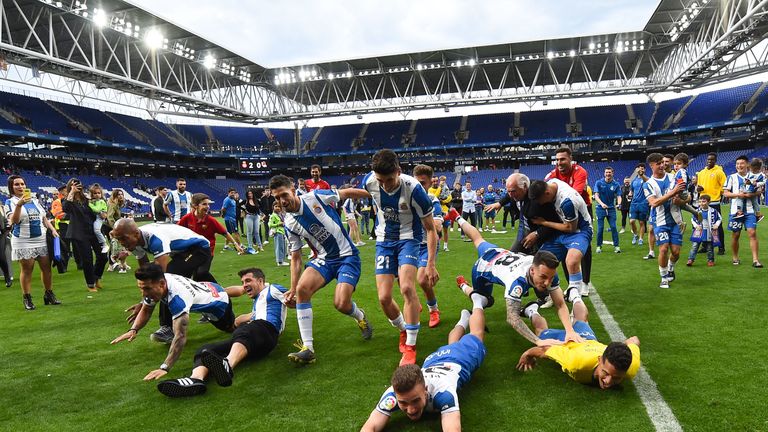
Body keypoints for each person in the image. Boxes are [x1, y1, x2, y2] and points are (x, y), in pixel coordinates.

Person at [269, 174, 373, 365]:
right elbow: (296, 258)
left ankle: (360, 316)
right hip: (324, 260)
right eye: (276, 198)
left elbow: (346, 192)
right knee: (302, 290)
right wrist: (292, 288)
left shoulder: (316, 197)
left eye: (283, 195)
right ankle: (308, 348)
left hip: (347, 256)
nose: (281, 201)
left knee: (341, 304)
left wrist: (375, 195)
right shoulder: (290, 224)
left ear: (292, 190)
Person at [444, 207, 581, 345]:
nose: (547, 283)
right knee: (484, 300)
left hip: (500, 253)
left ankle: (457, 216)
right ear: (532, 271)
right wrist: (538, 341)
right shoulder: (516, 282)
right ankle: (463, 285)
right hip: (483, 267)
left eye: (550, 278)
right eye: (543, 277)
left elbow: (560, 304)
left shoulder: (547, 271)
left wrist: (569, 331)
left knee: (477, 238)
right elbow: (512, 318)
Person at [156, 267, 292, 397]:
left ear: (261, 280)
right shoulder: (258, 302)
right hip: (252, 343)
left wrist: (294, 301)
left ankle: (227, 364)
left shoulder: (273, 289)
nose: (244, 285)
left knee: (245, 330)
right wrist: (245, 317)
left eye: (248, 281)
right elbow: (239, 315)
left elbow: (293, 298)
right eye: (243, 282)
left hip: (267, 333)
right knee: (205, 350)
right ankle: (196, 380)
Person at [361, 149, 439, 366]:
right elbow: (364, 193)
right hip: (384, 241)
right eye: (380, 180)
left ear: (399, 171)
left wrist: (431, 264)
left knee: (406, 287)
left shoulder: (414, 190)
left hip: (409, 239)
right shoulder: (369, 182)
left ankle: (411, 348)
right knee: (384, 298)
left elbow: (431, 230)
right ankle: (403, 329)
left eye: (389, 179)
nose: (385, 185)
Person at [361, 304, 488, 431]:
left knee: (476, 335)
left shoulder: (443, 392)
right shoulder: (392, 394)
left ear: (426, 390)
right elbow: (370, 426)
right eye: (403, 403)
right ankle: (464, 318)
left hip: (460, 360)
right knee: (452, 346)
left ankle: (477, 301)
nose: (410, 410)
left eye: (415, 400)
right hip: (432, 362)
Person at [110, 263, 235, 381]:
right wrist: (133, 329)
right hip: (206, 289)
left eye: (147, 289)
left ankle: (251, 313)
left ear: (162, 284)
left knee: (231, 329)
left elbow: (180, 337)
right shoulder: (160, 280)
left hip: (218, 303)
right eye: (141, 288)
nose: (144, 294)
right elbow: (147, 309)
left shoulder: (178, 299)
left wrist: (164, 367)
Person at [111, 219, 215, 343]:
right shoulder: (133, 241)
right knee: (174, 279)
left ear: (136, 234)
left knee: (167, 281)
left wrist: (145, 303)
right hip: (181, 253)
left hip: (198, 248)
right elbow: (145, 274)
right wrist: (142, 300)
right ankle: (215, 297)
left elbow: (160, 279)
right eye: (119, 239)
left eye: (123, 238)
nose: (122, 243)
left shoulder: (156, 239)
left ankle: (167, 328)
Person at [516, 290, 641, 390]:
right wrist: (527, 354)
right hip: (566, 344)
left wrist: (620, 349)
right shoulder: (576, 363)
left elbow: (634, 340)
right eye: (606, 373)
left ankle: (574, 296)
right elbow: (545, 350)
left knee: (582, 320)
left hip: (589, 341)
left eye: (616, 378)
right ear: (599, 359)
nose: (608, 381)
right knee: (541, 332)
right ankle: (532, 311)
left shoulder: (630, 367)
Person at [528, 179, 593, 297]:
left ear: (547, 193)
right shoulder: (552, 182)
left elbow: (570, 228)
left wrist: (545, 223)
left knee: (572, 261)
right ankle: (553, 293)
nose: (539, 203)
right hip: (561, 231)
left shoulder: (567, 202)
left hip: (580, 231)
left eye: (539, 200)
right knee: (539, 260)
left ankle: (576, 301)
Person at [4, 174, 60, 309]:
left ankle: (49, 294)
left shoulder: (34, 200)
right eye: (16, 184)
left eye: (22, 184)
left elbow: (44, 218)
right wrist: (19, 205)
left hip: (41, 239)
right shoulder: (10, 202)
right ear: (11, 187)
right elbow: (14, 221)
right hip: (23, 240)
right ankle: (27, 298)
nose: (20, 186)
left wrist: (52, 229)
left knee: (46, 268)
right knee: (27, 269)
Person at [544, 147, 594, 291]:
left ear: (570, 159)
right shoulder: (552, 174)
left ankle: (585, 282)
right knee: (565, 248)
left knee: (584, 246)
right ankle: (571, 285)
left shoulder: (580, 172)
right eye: (557, 159)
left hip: (581, 208)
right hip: (561, 211)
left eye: (563, 159)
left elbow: (574, 195)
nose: (559, 162)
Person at [643, 153, 686, 288]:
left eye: (663, 162)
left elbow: (687, 197)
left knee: (676, 252)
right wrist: (672, 193)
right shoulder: (648, 184)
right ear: (651, 166)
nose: (662, 165)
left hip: (675, 220)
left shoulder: (674, 177)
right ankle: (664, 277)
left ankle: (670, 268)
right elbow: (654, 203)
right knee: (663, 249)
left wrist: (682, 199)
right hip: (660, 221)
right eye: (658, 163)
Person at [62, 179, 109, 293]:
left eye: (78, 184)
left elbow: (97, 210)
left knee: (103, 255)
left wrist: (103, 214)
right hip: (80, 233)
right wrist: (72, 192)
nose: (76, 186)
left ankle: (96, 276)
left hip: (92, 231)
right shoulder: (69, 200)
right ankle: (90, 283)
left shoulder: (87, 199)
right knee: (87, 259)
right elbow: (66, 209)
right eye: (73, 185)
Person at [413, 165, 444, 328]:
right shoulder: (407, 198)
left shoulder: (432, 200)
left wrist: (423, 215)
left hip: (427, 245)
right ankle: (414, 302)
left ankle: (433, 309)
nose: (419, 186)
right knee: (400, 279)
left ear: (430, 183)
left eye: (423, 183)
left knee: (422, 280)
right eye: (417, 182)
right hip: (409, 245)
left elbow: (438, 227)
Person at [723, 155, 762, 268]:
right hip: (736, 211)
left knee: (752, 233)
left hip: (750, 211)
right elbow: (725, 193)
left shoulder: (753, 177)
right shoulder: (731, 177)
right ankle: (735, 257)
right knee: (736, 234)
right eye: (737, 164)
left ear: (747, 165)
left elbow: (759, 191)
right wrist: (738, 194)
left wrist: (751, 194)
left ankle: (755, 260)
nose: (739, 166)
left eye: (741, 163)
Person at [179, 193, 244, 260]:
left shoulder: (211, 220)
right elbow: (176, 229)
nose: (208, 206)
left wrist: (236, 244)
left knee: (202, 270)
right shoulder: (187, 218)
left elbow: (225, 233)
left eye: (208, 204)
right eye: (204, 204)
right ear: (195, 206)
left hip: (207, 252)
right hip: (192, 252)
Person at [696, 153, 727, 255]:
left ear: (715, 160)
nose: (710, 161)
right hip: (703, 203)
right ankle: (705, 246)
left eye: (712, 160)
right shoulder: (701, 173)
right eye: (708, 159)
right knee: (703, 224)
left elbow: (724, 187)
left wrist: (718, 194)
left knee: (717, 225)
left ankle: (721, 247)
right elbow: (698, 187)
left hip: (714, 202)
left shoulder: (719, 172)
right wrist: (698, 189)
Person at [687, 194, 721, 267]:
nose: (701, 203)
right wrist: (696, 226)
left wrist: (716, 225)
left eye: (704, 201)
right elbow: (692, 219)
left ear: (709, 202)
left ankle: (710, 260)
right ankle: (690, 259)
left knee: (709, 247)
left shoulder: (713, 211)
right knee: (695, 246)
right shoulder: (697, 211)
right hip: (699, 231)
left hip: (709, 231)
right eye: (700, 202)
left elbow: (719, 218)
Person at [593, 167, 621, 254]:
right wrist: (602, 204)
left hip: (611, 209)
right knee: (600, 228)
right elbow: (596, 196)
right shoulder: (598, 183)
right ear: (604, 173)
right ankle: (598, 246)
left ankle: (616, 246)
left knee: (613, 227)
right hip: (600, 208)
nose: (608, 174)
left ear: (612, 173)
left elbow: (619, 196)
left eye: (609, 172)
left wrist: (619, 203)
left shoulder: (616, 184)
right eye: (606, 172)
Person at [105, 189, 129, 273]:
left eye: (122, 194)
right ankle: (111, 265)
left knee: (119, 245)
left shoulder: (117, 204)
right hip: (109, 227)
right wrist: (115, 228)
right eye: (118, 194)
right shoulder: (112, 204)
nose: (121, 196)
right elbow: (110, 217)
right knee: (113, 246)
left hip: (114, 227)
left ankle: (122, 263)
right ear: (114, 195)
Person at [628, 163, 650, 249]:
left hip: (643, 204)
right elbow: (632, 191)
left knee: (641, 222)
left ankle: (641, 239)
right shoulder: (634, 181)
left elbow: (648, 181)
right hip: (634, 203)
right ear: (636, 170)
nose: (641, 170)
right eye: (640, 168)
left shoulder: (647, 179)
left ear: (644, 170)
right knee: (632, 221)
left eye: (643, 169)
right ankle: (635, 235)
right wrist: (630, 194)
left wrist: (642, 175)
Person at [88, 183, 110, 254]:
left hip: (99, 218)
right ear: (92, 194)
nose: (97, 194)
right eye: (95, 193)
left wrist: (89, 204)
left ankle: (104, 244)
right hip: (97, 217)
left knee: (97, 230)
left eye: (99, 193)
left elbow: (97, 210)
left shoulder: (101, 201)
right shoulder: (94, 201)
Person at [220, 188, 243, 253]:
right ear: (228, 193)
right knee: (236, 232)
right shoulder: (227, 200)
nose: (233, 194)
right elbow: (224, 208)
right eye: (231, 193)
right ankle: (239, 245)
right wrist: (223, 215)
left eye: (234, 193)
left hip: (232, 218)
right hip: (229, 219)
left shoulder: (233, 199)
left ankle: (226, 246)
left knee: (229, 233)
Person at [242, 189, 263, 255]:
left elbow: (261, 206)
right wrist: (244, 210)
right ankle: (250, 246)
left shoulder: (256, 200)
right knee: (249, 232)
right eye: (249, 194)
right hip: (249, 217)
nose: (250, 195)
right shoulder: (245, 201)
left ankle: (260, 246)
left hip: (256, 216)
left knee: (256, 231)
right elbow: (238, 205)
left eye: (251, 193)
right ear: (247, 195)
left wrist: (261, 213)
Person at [268, 202, 289, 266]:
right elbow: (270, 224)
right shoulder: (273, 215)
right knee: (279, 247)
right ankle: (279, 261)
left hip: (282, 232)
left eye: (279, 207)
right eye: (276, 206)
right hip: (277, 232)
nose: (277, 208)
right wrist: (278, 224)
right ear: (273, 207)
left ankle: (282, 260)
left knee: (283, 247)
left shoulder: (280, 214)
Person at [746, 158, 765, 222]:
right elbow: (745, 179)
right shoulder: (749, 173)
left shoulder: (761, 175)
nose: (751, 170)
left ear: (757, 168)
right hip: (746, 190)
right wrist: (746, 181)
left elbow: (763, 182)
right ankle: (741, 212)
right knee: (750, 202)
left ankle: (758, 215)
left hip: (753, 191)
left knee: (755, 202)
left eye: (752, 168)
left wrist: (757, 184)